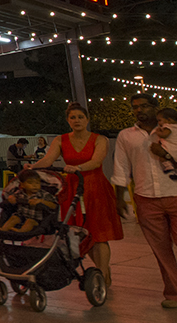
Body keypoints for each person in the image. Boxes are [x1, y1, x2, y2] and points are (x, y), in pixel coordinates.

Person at [113, 93, 177, 308]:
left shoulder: (176, 130)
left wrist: (167, 155)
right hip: (146, 198)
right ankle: (174, 294)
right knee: (161, 250)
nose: (139, 110)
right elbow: (121, 168)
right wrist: (119, 199)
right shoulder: (126, 136)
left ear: (156, 108)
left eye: (144, 106)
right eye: (135, 107)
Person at [30, 102, 122, 287]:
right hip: (73, 189)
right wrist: (32, 167)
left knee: (99, 234)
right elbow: (49, 159)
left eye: (80, 117)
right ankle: (101, 270)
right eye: (73, 117)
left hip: (95, 188)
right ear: (68, 120)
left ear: (87, 120)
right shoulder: (61, 139)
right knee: (78, 233)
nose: (77, 120)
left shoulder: (99, 139)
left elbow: (96, 161)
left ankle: (103, 275)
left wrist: (78, 167)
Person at [151, 108, 177, 180]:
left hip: (173, 147)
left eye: (159, 120)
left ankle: (168, 166)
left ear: (169, 120)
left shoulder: (168, 127)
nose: (158, 123)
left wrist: (158, 132)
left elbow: (164, 134)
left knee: (160, 154)